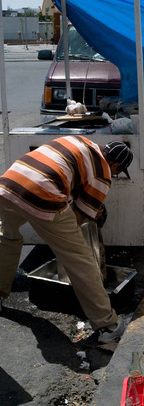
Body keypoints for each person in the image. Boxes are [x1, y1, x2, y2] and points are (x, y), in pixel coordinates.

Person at [0, 136, 133, 344]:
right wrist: (92, 212)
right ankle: (108, 324)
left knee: (7, 237)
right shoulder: (103, 173)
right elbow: (79, 218)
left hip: (10, 182)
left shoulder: (79, 141)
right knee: (79, 259)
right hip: (42, 192)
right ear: (115, 165)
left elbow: (62, 171)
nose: (114, 175)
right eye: (117, 172)